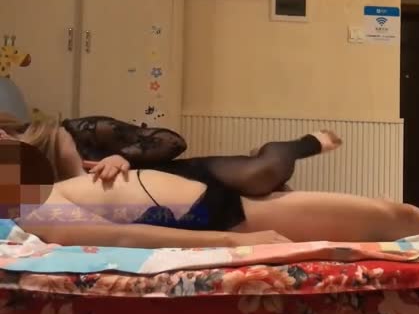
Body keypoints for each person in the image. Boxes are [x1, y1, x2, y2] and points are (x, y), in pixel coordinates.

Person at [9, 140, 419, 248]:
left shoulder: (49, 184)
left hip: (218, 192)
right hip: (230, 217)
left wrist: (120, 160)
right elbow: (123, 233)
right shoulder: (35, 213)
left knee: (404, 215)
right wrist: (235, 245)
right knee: (404, 218)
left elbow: (113, 184)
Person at [0, 116, 341, 196]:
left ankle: (306, 143)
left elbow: (172, 141)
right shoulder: (17, 179)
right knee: (269, 191)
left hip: (180, 175)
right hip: (157, 208)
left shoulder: (78, 130)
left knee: (263, 173)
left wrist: (123, 158)